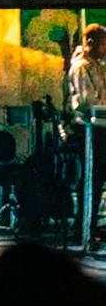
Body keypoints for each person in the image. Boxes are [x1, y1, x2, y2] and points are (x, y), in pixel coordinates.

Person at [67, 23, 106, 242]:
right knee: (91, 179)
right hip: (86, 129)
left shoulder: (97, 66)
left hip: (99, 128)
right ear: (91, 42)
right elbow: (86, 100)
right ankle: (82, 227)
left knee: (98, 180)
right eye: (103, 44)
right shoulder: (81, 67)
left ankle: (90, 225)